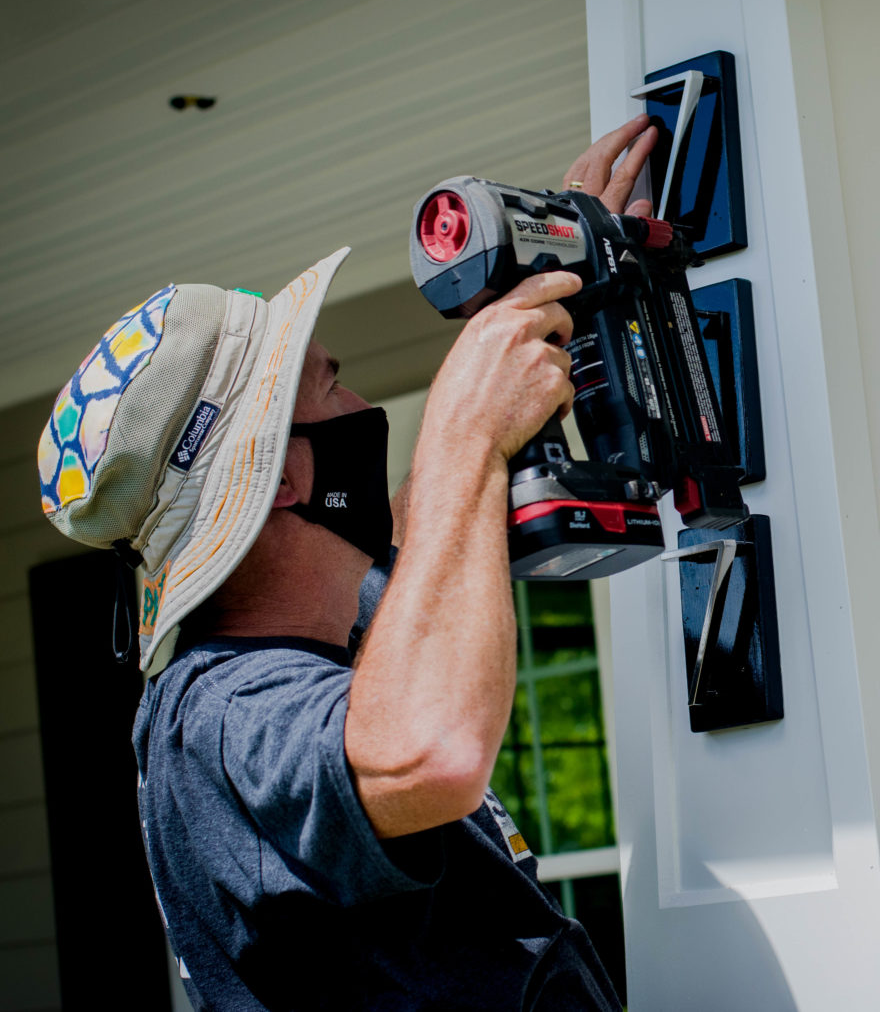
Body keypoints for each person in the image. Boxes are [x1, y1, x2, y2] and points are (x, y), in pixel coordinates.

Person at [35, 116, 659, 1010]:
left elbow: (423, 544)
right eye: (332, 383)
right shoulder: (223, 713)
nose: (361, 402)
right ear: (288, 473)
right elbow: (427, 752)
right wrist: (468, 432)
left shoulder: (320, 632)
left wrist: (558, 271)